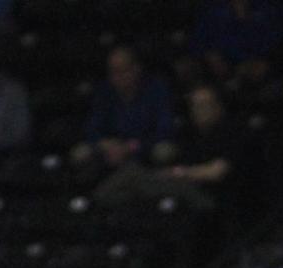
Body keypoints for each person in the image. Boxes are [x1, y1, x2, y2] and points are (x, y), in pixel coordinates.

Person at [93, 83, 243, 213]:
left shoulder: (231, 133)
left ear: (219, 107)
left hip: (209, 193)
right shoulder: (190, 132)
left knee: (140, 183)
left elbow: (216, 172)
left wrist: (181, 173)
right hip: (182, 182)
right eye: (194, 106)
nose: (198, 111)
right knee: (133, 173)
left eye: (204, 105)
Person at [75, 46, 176, 169]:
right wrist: (107, 145)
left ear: (136, 69)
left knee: (164, 152)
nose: (118, 77)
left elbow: (165, 130)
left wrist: (131, 147)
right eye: (113, 72)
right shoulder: (104, 92)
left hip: (144, 147)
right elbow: (92, 128)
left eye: (123, 71)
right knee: (80, 154)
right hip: (112, 148)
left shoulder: (156, 90)